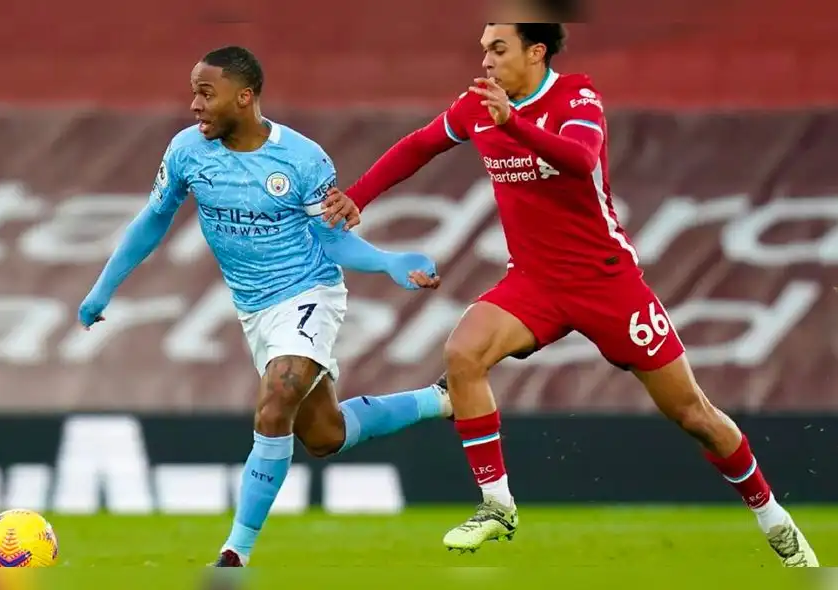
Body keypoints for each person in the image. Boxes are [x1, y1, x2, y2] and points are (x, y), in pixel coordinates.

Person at [321, 23, 819, 567]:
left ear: (536, 52)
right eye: (483, 48)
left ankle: (773, 516)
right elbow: (420, 145)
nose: (485, 59)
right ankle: (497, 504)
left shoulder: (576, 96)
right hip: (534, 281)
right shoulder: (476, 106)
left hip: (606, 283)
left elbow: (581, 159)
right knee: (464, 353)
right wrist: (359, 195)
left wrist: (513, 124)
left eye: (498, 48)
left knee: (694, 414)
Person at [78, 46, 451, 567]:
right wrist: (103, 289)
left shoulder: (301, 159)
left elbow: (334, 240)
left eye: (206, 93)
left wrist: (388, 263)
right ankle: (439, 400)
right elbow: (152, 220)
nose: (194, 105)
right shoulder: (187, 152)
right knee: (324, 435)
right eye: (193, 92)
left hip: (308, 293)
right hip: (254, 309)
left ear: (244, 96)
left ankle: (235, 553)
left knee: (277, 396)